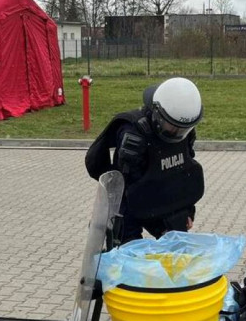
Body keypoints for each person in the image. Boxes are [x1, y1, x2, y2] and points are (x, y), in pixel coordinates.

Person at [85, 77, 205, 243]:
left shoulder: (183, 131)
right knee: (128, 252)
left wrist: (187, 212)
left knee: (178, 246)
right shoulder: (134, 135)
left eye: (183, 129)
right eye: (172, 126)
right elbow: (127, 184)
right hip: (130, 198)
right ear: (158, 113)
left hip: (164, 192)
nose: (177, 132)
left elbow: (183, 171)